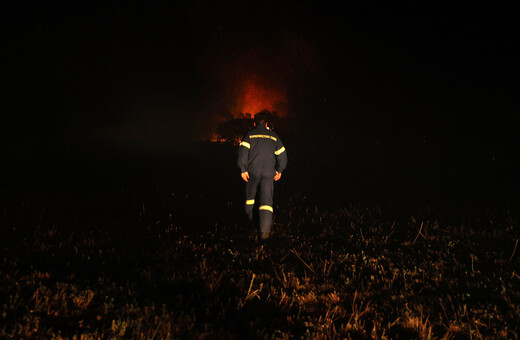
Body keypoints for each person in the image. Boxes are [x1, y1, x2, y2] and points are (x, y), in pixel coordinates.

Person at [237, 110, 288, 240]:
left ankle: (249, 225)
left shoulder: (249, 135)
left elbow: (242, 154)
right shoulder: (274, 136)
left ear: (254, 123)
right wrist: (280, 170)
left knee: (249, 198)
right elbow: (282, 155)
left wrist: (243, 169)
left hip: (251, 173)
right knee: (266, 202)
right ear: (266, 124)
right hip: (268, 173)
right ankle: (265, 233)